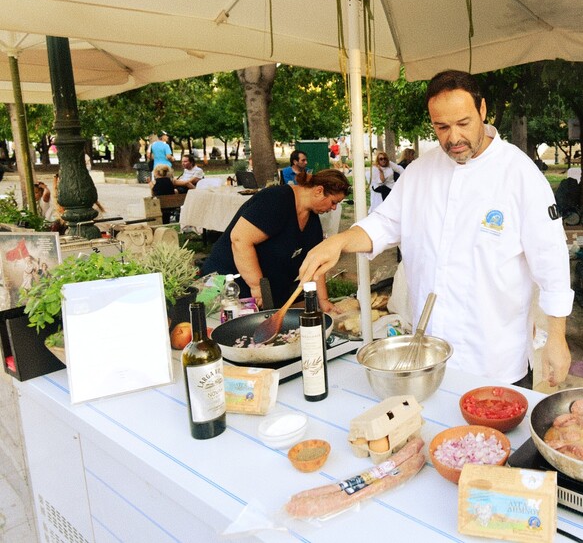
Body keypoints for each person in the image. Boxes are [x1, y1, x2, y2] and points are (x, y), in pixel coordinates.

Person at [299, 69, 574, 388]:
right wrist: (340, 241)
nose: (453, 138)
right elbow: (384, 223)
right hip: (429, 357)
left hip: (496, 361)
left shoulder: (520, 174)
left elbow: (551, 263)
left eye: (463, 123)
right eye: (442, 127)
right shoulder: (420, 171)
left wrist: (557, 337)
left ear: (482, 110)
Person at [202, 169, 349, 311]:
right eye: (333, 202)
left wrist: (323, 300)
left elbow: (316, 262)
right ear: (319, 191)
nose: (334, 208)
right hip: (230, 287)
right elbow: (240, 239)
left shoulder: (312, 219)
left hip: (268, 293)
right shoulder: (276, 200)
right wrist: (257, 287)